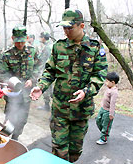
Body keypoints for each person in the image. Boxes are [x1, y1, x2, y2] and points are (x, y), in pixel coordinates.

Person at [30, 9, 108, 162]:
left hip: (81, 110)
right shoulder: (59, 47)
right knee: (59, 150)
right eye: (64, 27)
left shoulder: (94, 47)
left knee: (74, 151)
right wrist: (42, 86)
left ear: (81, 26)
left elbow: (99, 76)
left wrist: (86, 91)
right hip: (60, 109)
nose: (66, 31)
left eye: (70, 27)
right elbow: (50, 71)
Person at [0, 24, 42, 140]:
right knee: (10, 118)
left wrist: (32, 79)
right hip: (12, 93)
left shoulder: (33, 51)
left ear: (26, 38)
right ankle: (4, 140)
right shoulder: (6, 54)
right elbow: (2, 73)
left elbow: (39, 66)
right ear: (13, 39)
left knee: (22, 119)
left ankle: (15, 139)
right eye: (17, 42)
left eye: (22, 41)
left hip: (26, 93)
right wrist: (10, 82)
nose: (20, 44)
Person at [96, 72, 119, 145]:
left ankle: (104, 138)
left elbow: (112, 104)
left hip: (108, 112)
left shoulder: (114, 92)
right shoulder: (108, 88)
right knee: (98, 120)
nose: (105, 82)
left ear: (113, 82)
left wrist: (111, 114)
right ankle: (104, 132)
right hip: (103, 109)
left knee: (106, 125)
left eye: (107, 81)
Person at [37, 32, 54, 111]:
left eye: (41, 37)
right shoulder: (53, 45)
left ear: (44, 38)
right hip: (54, 71)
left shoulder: (47, 47)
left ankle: (47, 106)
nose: (40, 39)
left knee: (47, 90)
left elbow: (41, 59)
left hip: (48, 71)